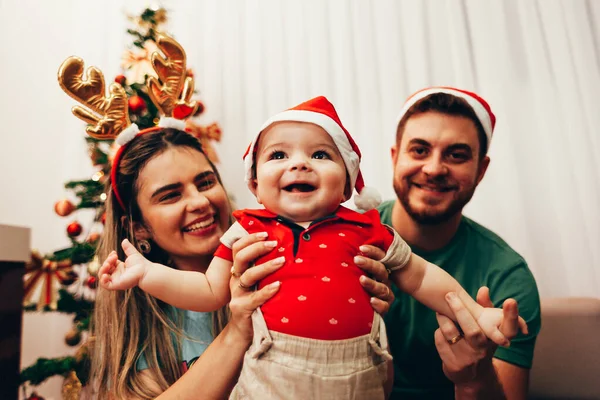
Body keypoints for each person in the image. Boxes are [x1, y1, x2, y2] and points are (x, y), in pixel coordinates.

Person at [100, 96, 526, 399]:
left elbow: (420, 274)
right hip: (274, 377)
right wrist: (147, 275)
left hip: (359, 375)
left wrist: (475, 311)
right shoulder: (249, 231)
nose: (299, 163)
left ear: (348, 180)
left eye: (321, 154)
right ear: (255, 185)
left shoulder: (366, 228)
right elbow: (212, 291)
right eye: (279, 155)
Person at [56, 41, 393, 398]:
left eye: (206, 182)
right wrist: (237, 329)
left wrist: (363, 313)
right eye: (171, 195)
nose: (200, 201)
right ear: (138, 227)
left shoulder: (277, 248)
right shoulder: (144, 316)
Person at [378, 87, 542, 399]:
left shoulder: (508, 277)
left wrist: (474, 381)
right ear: (395, 157)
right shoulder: (337, 235)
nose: (434, 169)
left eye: (457, 155)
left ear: (481, 169)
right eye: (419, 150)